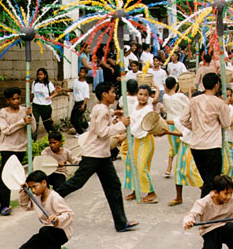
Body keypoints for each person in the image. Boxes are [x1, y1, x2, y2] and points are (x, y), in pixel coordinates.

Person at [55, 82, 138, 232]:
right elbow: (102, 132)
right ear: (104, 94)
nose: (114, 94)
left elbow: (103, 118)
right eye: (112, 92)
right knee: (76, 183)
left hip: (102, 155)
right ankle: (48, 198)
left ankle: (121, 222)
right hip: (93, 155)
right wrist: (122, 125)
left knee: (113, 186)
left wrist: (115, 114)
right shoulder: (101, 109)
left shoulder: (102, 108)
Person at [180, 73, 232, 197]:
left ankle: (209, 206)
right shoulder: (219, 103)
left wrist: (195, 127)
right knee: (212, 181)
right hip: (212, 145)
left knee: (207, 180)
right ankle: (204, 207)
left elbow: (183, 120)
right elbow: (226, 123)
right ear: (216, 85)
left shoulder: (194, 100)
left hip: (196, 146)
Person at [0, 87, 36, 215]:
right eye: (13, 99)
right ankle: (4, 206)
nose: (16, 101)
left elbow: (33, 129)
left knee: (11, 175)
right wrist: (22, 122)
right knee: (7, 176)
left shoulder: (25, 111)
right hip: (7, 148)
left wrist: (30, 116)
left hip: (21, 148)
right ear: (8, 100)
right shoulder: (3, 113)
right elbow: (6, 130)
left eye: (18, 98)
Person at [183, 175, 233, 249]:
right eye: (226, 193)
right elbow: (192, 214)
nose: (229, 196)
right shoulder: (204, 202)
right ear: (216, 192)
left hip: (226, 228)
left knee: (231, 228)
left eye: (231, 193)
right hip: (210, 230)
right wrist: (189, 221)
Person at [163, 77, 202, 206]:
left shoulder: (200, 118)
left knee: (192, 171)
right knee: (179, 170)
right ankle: (179, 197)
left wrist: (167, 130)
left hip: (195, 147)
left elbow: (180, 127)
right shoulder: (187, 114)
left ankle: (208, 194)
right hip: (184, 145)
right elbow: (178, 123)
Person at [123, 83, 159, 203]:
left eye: (145, 95)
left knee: (141, 167)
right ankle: (135, 190)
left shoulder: (148, 109)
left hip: (144, 140)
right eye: (140, 94)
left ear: (149, 96)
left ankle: (151, 193)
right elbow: (131, 120)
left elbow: (139, 126)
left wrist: (126, 134)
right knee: (131, 164)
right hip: (134, 139)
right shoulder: (134, 105)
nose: (142, 97)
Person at [19, 170, 73, 249]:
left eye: (34, 186)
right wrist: (24, 192)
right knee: (31, 244)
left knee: (44, 232)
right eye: (31, 188)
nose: (33, 190)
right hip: (47, 233)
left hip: (62, 231)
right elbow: (25, 206)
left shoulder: (55, 197)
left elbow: (69, 214)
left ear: (44, 183)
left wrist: (58, 219)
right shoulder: (36, 197)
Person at [59, 67, 90, 137]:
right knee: (73, 119)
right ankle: (86, 125)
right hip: (76, 103)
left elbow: (86, 97)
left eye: (82, 72)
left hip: (81, 103)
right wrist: (62, 89)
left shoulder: (85, 85)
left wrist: (83, 105)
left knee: (75, 119)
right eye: (80, 72)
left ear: (85, 74)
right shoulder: (75, 81)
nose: (80, 73)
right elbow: (71, 90)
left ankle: (81, 132)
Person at [31, 68, 57, 141]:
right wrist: (29, 103)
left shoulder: (48, 84)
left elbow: (55, 92)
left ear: (45, 75)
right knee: (34, 123)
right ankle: (33, 141)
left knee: (47, 124)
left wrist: (50, 97)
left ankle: (54, 138)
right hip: (36, 105)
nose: (39, 76)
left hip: (45, 106)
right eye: (38, 74)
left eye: (41, 74)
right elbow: (32, 94)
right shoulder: (34, 83)